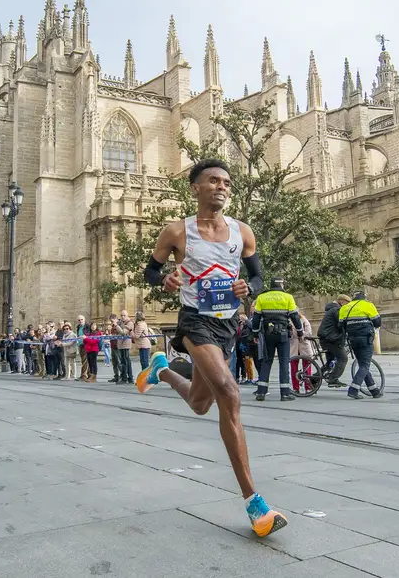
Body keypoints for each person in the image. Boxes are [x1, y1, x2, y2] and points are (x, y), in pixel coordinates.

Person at [137, 158, 287, 537]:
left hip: (227, 325)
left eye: (226, 182)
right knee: (229, 392)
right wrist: (166, 280)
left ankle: (162, 370)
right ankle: (256, 504)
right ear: (196, 188)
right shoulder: (177, 231)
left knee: (200, 403)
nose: (222, 187)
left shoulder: (243, 232)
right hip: (194, 321)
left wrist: (248, 288)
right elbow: (150, 272)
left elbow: (257, 274)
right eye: (214, 181)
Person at [252, 278, 302, 402]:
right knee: (284, 362)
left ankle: (261, 392)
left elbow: (256, 317)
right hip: (283, 333)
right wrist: (300, 331)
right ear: (280, 284)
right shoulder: (288, 297)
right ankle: (285, 393)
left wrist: (255, 334)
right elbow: (295, 316)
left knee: (266, 361)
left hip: (268, 334)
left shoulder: (262, 297)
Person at [339, 291, 383, 400]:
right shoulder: (367, 305)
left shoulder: (345, 308)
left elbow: (341, 325)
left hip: (352, 339)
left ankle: (374, 391)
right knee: (365, 365)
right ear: (363, 297)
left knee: (362, 364)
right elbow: (377, 322)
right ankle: (353, 389)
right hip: (365, 339)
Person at [317, 295, 350, 387]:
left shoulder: (332, 309)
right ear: (342, 301)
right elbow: (342, 323)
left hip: (326, 339)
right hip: (331, 339)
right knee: (343, 358)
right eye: (347, 303)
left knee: (330, 362)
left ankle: (314, 378)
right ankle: (333, 379)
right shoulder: (337, 310)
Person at [114, 312, 134, 384]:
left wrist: (116, 325)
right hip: (121, 344)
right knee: (124, 361)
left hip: (126, 344)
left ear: (127, 315)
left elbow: (123, 332)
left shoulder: (129, 323)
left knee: (125, 361)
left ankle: (126, 378)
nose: (122, 317)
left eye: (124, 315)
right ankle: (128, 378)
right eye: (121, 315)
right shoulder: (121, 322)